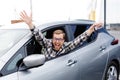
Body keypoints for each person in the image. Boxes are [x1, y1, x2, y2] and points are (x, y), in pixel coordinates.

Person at [20, 11, 102, 59]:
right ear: (52, 39)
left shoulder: (66, 47)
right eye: (55, 39)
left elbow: (79, 40)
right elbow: (38, 35)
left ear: (63, 40)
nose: (57, 42)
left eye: (59, 39)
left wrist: (91, 29)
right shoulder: (47, 44)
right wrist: (30, 24)